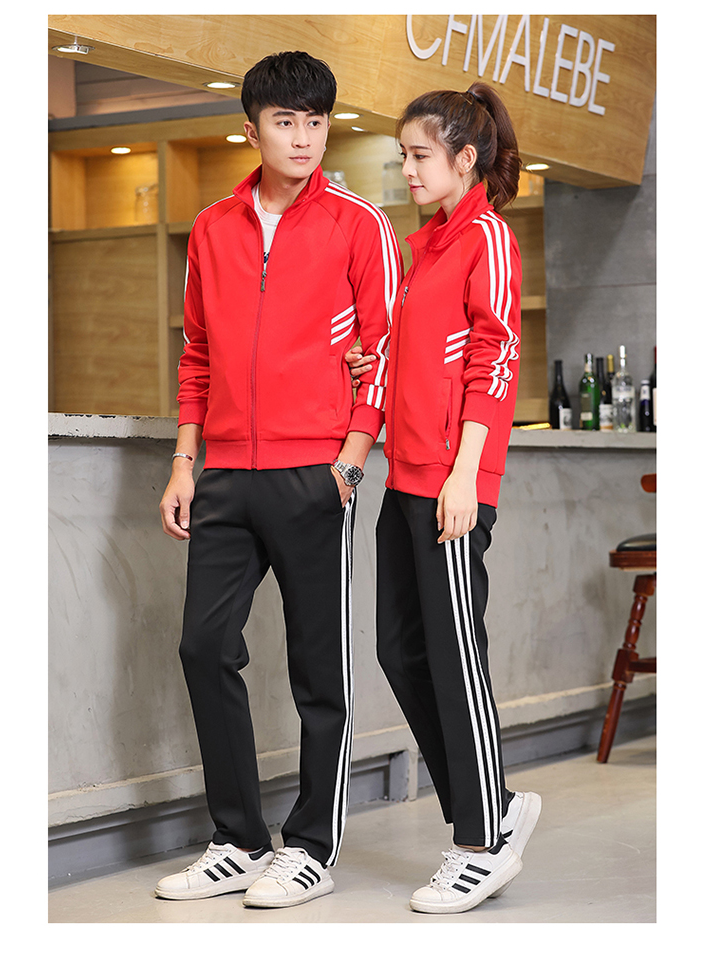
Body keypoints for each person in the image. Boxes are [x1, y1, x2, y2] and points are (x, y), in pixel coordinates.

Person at [156, 50, 402, 909]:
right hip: (225, 473)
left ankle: (312, 845)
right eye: (286, 121)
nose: (303, 137)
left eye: (316, 121)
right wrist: (185, 461)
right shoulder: (212, 229)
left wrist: (351, 459)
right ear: (252, 129)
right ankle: (237, 838)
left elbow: (385, 351)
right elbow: (196, 353)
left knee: (318, 669)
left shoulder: (359, 224)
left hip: (315, 474)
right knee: (203, 646)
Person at [347, 83, 541, 914]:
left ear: (466, 158)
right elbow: (417, 353)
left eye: (420, 154)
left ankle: (480, 840)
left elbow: (495, 357)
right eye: (403, 155)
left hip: (452, 484)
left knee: (458, 657)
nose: (408, 168)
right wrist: (372, 368)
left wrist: (466, 473)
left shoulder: (487, 237)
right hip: (405, 479)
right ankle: (491, 801)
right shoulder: (422, 246)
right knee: (400, 650)